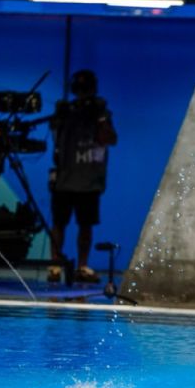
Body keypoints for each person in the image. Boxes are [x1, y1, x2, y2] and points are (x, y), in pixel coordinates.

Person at [48, 70, 118, 283]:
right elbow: (54, 134)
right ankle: (55, 264)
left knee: (85, 225)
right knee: (59, 223)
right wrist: (59, 115)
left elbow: (110, 139)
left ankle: (82, 266)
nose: (83, 93)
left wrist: (101, 116)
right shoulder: (66, 112)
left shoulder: (101, 113)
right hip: (65, 179)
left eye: (85, 88)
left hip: (89, 180)